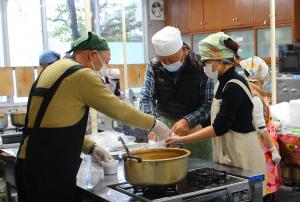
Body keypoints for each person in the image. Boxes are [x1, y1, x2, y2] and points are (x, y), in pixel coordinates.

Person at [15, 32, 171, 202]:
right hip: (49, 171)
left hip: (28, 164)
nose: (107, 65)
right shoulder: (82, 75)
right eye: (107, 60)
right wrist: (156, 125)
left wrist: (90, 147)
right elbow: (118, 110)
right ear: (92, 55)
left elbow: (51, 127)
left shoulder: (55, 68)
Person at [165, 32, 266, 176]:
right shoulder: (220, 84)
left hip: (244, 159)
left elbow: (220, 127)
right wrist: (183, 133)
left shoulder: (234, 86)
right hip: (230, 156)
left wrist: (182, 139)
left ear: (220, 59)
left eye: (207, 61)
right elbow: (210, 121)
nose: (205, 66)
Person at [140, 26, 214, 160]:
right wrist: (152, 124)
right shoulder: (154, 66)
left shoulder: (201, 66)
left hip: (196, 129)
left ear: (183, 50)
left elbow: (208, 103)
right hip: (163, 127)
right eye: (163, 60)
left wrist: (188, 121)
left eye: (171, 59)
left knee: (200, 172)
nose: (167, 64)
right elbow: (146, 98)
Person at [39, 49, 110, 164]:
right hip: (50, 153)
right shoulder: (47, 87)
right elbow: (60, 131)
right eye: (43, 67)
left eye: (48, 66)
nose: (47, 70)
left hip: (65, 146)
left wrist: (90, 147)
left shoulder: (67, 83)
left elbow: (66, 132)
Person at [240, 56, 281, 199]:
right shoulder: (255, 96)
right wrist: (273, 150)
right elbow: (261, 128)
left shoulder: (249, 90)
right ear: (259, 76)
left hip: (261, 144)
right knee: (265, 189)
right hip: (263, 149)